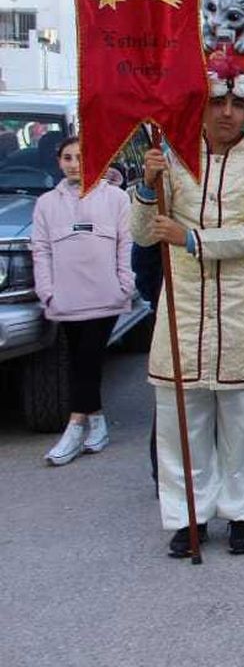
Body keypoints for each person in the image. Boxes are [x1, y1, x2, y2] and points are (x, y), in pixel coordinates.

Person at [133, 62, 244, 557]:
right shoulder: (171, 161)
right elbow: (141, 232)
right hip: (184, 309)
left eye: (238, 105)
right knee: (181, 423)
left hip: (242, 309)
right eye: (218, 102)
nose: (227, 113)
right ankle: (186, 517)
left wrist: (192, 237)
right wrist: (147, 188)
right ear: (202, 106)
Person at [32, 135, 135, 465]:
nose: (75, 164)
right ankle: (98, 424)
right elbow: (41, 250)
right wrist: (47, 291)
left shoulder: (116, 198)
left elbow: (126, 244)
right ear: (58, 162)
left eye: (81, 156)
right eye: (68, 158)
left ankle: (75, 426)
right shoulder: (46, 203)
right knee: (79, 361)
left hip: (105, 295)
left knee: (88, 359)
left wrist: (124, 284)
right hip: (66, 297)